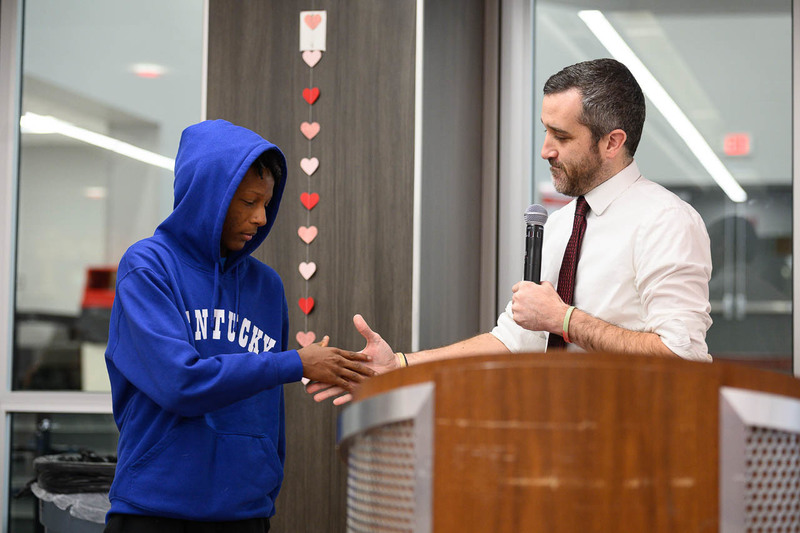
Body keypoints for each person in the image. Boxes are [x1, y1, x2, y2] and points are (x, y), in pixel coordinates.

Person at [310, 58, 712, 405]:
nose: (546, 150)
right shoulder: (560, 225)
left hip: (633, 447)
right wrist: (398, 365)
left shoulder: (665, 221)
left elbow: (682, 356)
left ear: (612, 143)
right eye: (545, 130)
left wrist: (564, 320)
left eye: (562, 136)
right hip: (552, 438)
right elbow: (512, 341)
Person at [104, 119, 374, 532]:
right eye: (249, 202)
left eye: (267, 203)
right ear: (208, 197)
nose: (262, 218)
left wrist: (264, 485)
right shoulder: (147, 268)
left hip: (245, 513)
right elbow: (180, 383)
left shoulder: (267, 286)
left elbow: (266, 409)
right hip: (155, 510)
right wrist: (295, 363)